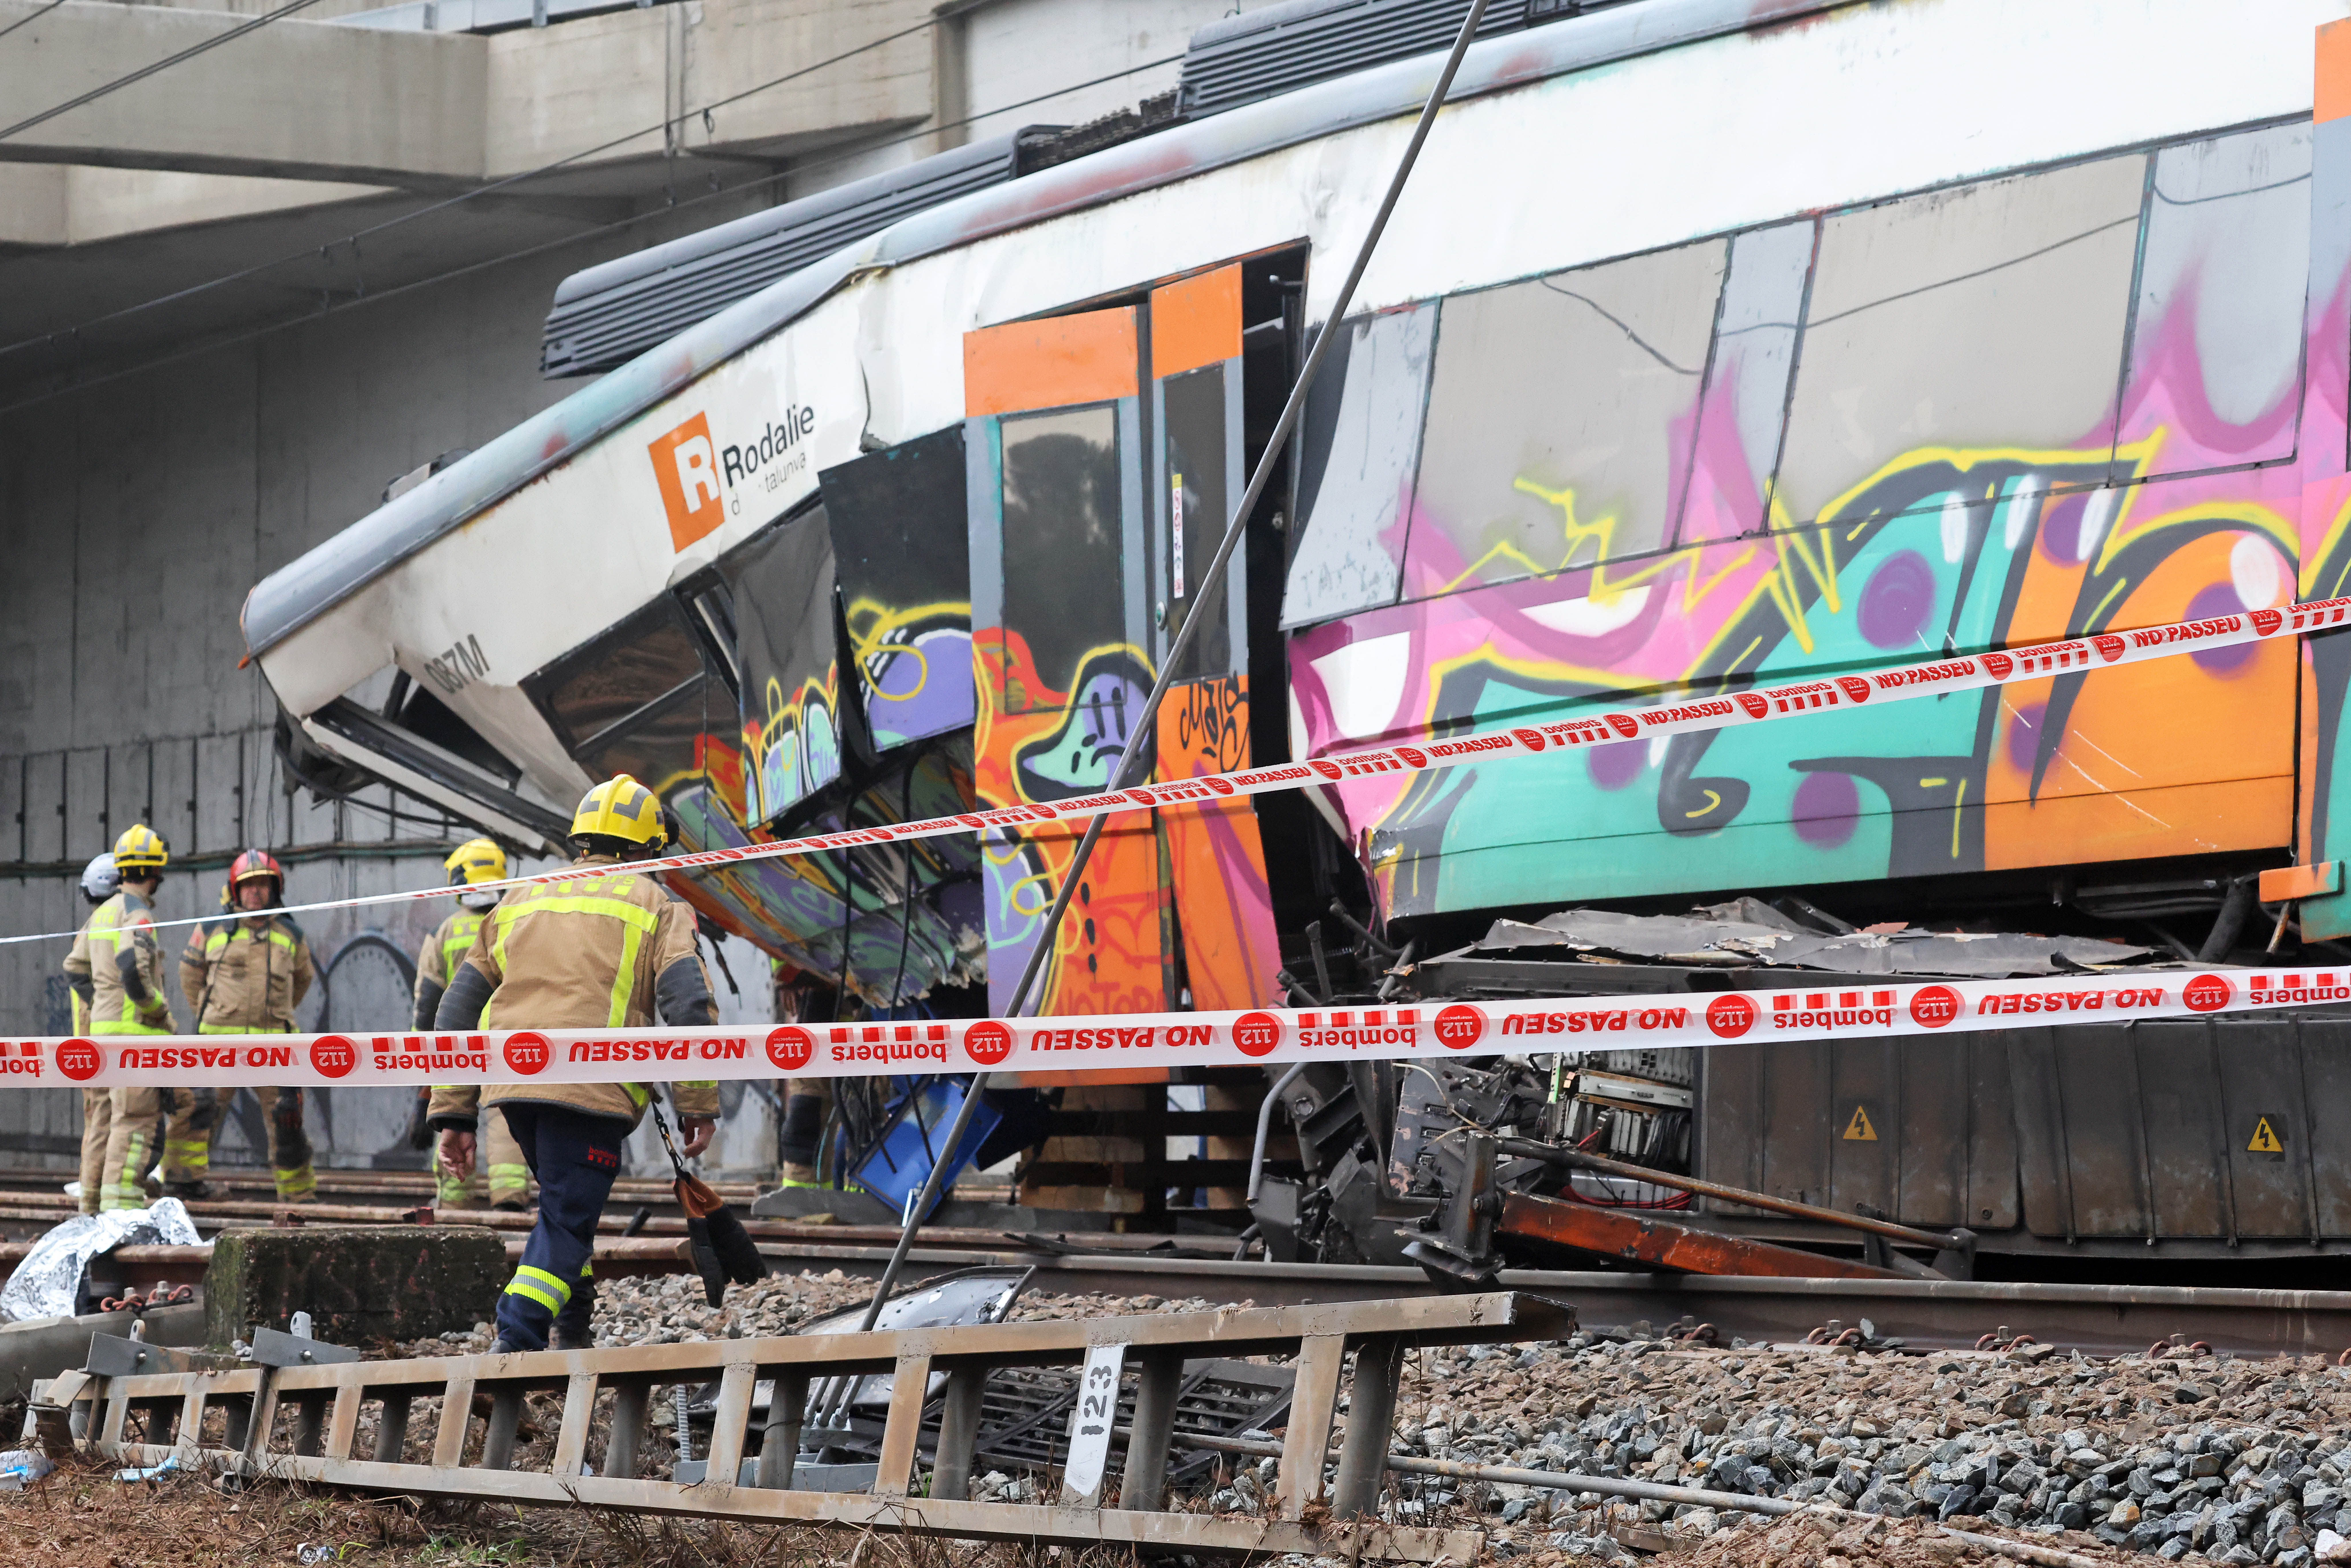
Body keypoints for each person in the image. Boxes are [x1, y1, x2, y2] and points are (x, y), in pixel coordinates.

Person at [428, 775, 720, 1353]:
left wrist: (454, 1113)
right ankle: (515, 1339)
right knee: (565, 1219)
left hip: (514, 1088)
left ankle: (575, 1331)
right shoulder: (654, 901)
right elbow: (688, 1004)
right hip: (591, 1089)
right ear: (647, 847)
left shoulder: (522, 895)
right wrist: (698, 1101)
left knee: (567, 1208)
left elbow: (455, 1009)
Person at [65, 825, 194, 1211]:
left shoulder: (103, 912)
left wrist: (103, 1002)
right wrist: (157, 1012)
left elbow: (75, 968)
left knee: (103, 1121)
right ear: (156, 873)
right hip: (135, 1036)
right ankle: (121, 1212)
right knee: (135, 1123)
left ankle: (90, 1206)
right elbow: (132, 968)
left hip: (103, 1035)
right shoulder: (137, 914)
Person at [181, 849, 319, 1202]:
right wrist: (213, 1013)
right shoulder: (211, 929)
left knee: (287, 1122)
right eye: (249, 885)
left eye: (263, 884)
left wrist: (277, 1014)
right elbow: (189, 975)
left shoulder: (291, 933)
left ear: (276, 889)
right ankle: (183, 1184)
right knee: (198, 1116)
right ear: (235, 890)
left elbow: (303, 980)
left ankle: (298, 1197)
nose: (256, 891)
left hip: (275, 1047)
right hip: (217, 1046)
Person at [414, 838, 531, 1213]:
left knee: (452, 1116)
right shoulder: (517, 923)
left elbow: (428, 1001)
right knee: (507, 1121)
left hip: (457, 1047)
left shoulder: (446, 932)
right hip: (505, 1042)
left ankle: (454, 1205)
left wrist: (423, 1065)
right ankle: (510, 1200)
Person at [63, 852, 120, 1214]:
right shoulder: (111, 920)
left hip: (94, 1038)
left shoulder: (97, 922)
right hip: (100, 1039)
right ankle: (94, 1201)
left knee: (104, 1118)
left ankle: (95, 1194)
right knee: (105, 1117)